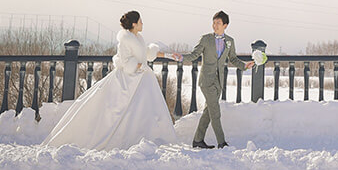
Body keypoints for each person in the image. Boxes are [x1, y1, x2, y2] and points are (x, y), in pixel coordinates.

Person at [42, 10, 181, 151]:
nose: (142, 24)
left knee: (148, 109)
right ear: (134, 24)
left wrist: (169, 55)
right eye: (140, 21)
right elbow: (126, 62)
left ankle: (147, 140)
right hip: (129, 79)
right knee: (116, 112)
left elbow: (146, 52)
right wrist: (140, 66)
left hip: (142, 77)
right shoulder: (125, 40)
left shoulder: (138, 37)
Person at [182, 10, 253, 149]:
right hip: (206, 81)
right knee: (215, 112)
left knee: (208, 112)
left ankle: (198, 140)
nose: (215, 25)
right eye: (214, 23)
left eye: (218, 23)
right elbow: (194, 54)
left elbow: (233, 59)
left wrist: (245, 66)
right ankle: (222, 143)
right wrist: (181, 58)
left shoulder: (230, 42)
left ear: (225, 25)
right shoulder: (205, 39)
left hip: (219, 81)